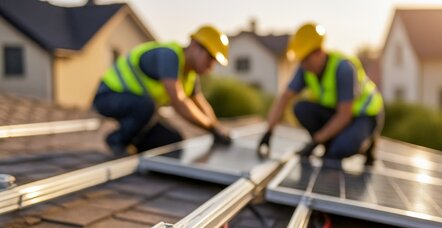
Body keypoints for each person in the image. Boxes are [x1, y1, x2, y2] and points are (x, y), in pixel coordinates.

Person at [93, 25, 232, 156]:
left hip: (141, 110)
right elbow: (179, 102)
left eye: (214, 62)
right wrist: (211, 128)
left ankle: (135, 143)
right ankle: (117, 140)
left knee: (172, 141)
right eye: (210, 58)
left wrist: (216, 126)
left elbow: (199, 102)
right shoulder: (169, 56)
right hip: (108, 97)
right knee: (145, 106)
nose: (210, 66)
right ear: (194, 45)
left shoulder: (190, 74)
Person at [258, 23, 384, 165]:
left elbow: (344, 116)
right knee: (301, 108)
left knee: (339, 150)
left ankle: (365, 142)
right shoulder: (305, 70)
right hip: (337, 113)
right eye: (301, 60)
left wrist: (315, 141)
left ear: (319, 52)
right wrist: (268, 133)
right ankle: (331, 143)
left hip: (364, 115)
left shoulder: (343, 69)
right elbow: (284, 97)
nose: (303, 64)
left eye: (306, 59)